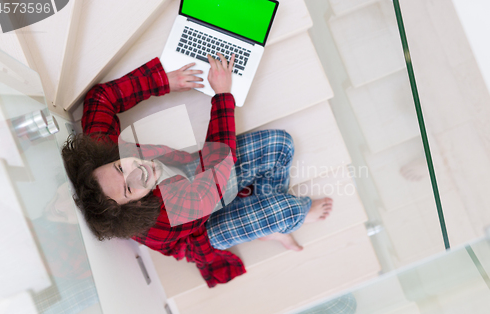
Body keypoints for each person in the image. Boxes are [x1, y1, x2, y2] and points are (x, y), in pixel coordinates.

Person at [61, 53, 333, 287]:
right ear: (134, 205)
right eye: (129, 188)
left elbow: (101, 98)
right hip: (201, 229)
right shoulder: (171, 213)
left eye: (121, 167)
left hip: (190, 176)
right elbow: (216, 170)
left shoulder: (104, 159)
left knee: (280, 144)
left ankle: (265, 223)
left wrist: (164, 81)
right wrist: (223, 94)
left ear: (110, 159)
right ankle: (280, 222)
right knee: (291, 210)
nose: (137, 171)